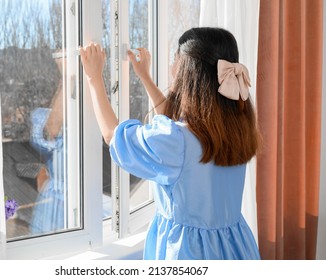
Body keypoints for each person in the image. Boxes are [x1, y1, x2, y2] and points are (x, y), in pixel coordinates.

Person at [79, 27, 261, 260]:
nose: (172, 68)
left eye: (176, 60)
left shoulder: (177, 140)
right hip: (235, 246)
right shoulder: (235, 127)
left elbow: (114, 137)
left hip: (188, 253)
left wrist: (94, 78)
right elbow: (176, 122)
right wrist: (145, 77)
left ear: (187, 71)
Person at [29, 52, 66, 234]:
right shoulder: (40, 117)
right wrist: (68, 78)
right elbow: (52, 130)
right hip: (59, 199)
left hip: (79, 195)